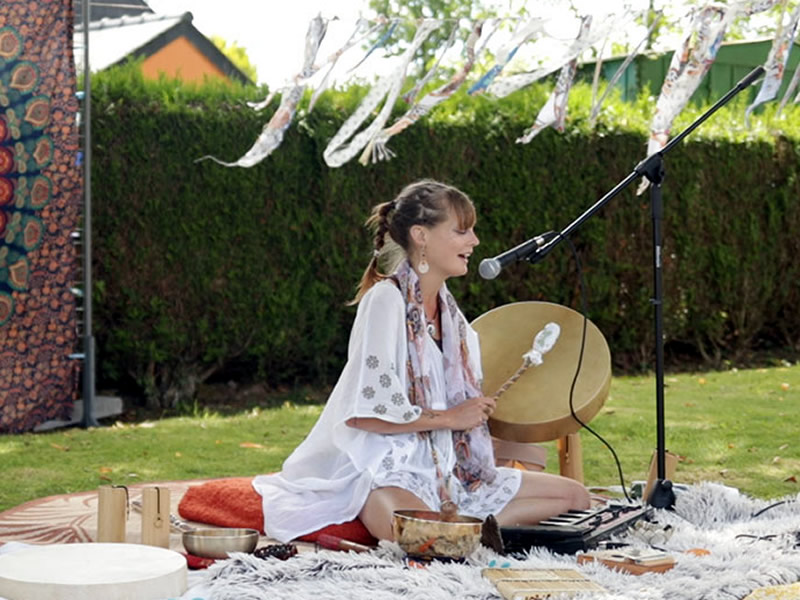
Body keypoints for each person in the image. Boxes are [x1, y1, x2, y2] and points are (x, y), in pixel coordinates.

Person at [253, 179, 590, 542]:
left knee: (575, 496)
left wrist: (472, 418)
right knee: (430, 535)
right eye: (462, 231)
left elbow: (458, 405)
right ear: (421, 235)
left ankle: (479, 531)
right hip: (384, 467)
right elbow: (365, 413)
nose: (474, 241)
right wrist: (452, 417)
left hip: (448, 468)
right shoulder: (385, 301)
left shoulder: (453, 317)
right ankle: (477, 531)